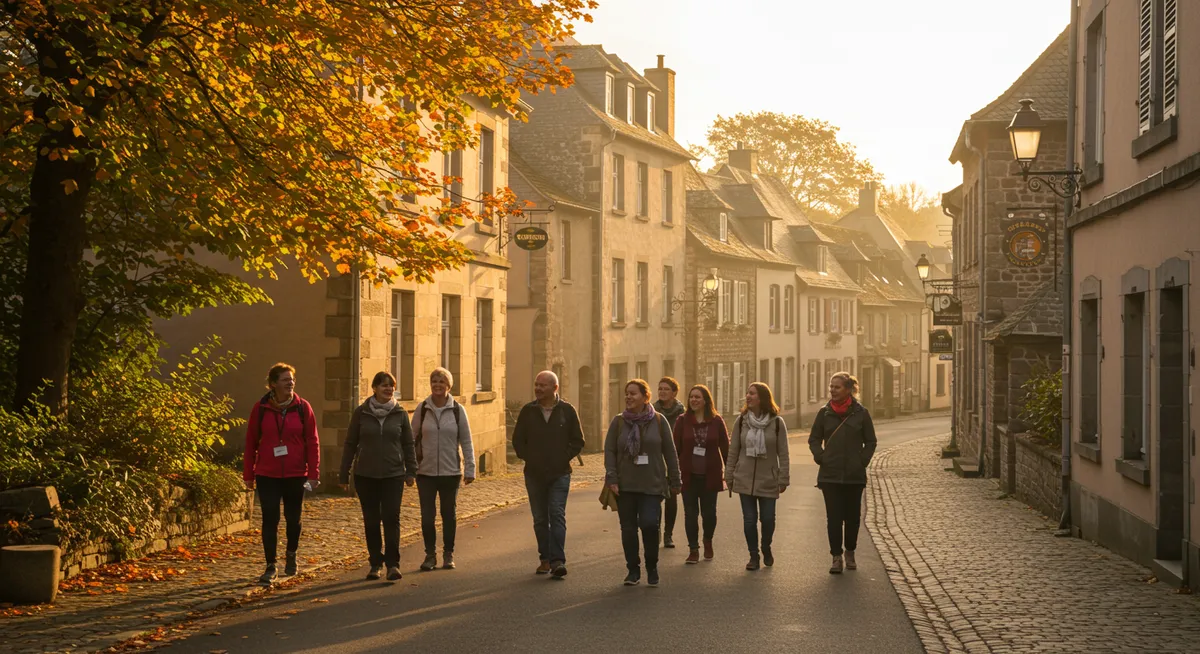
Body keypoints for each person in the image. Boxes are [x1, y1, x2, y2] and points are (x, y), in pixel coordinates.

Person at [243, 363, 319, 584]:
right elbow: (250, 443)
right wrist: (249, 474)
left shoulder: (303, 408)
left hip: (296, 473)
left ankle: (291, 555)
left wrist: (313, 473)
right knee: (270, 519)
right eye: (286, 380)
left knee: (293, 519)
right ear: (273, 384)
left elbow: (313, 441)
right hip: (268, 474)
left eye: (292, 379)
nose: (290, 383)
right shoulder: (260, 409)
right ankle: (270, 565)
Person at [338, 371, 417, 581]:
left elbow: (408, 444)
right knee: (371, 521)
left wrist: (411, 471)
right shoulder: (361, 413)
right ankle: (375, 563)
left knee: (391, 518)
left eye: (391, 385)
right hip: (366, 474)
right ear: (374, 388)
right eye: (384, 385)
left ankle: (393, 564)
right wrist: (343, 474)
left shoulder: (400, 413)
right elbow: (350, 443)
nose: (388, 389)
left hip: (393, 474)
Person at [604, 379, 682, 588]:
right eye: (626, 393)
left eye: (633, 394)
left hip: (652, 485)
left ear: (645, 397)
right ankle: (633, 569)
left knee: (649, 524)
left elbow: (670, 452)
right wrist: (611, 477)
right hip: (625, 485)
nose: (628, 397)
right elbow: (610, 450)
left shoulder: (658, 421)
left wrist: (676, 479)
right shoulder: (619, 422)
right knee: (628, 529)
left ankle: (652, 566)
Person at [512, 371, 586, 579]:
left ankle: (558, 561)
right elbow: (518, 440)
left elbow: (578, 441)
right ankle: (544, 558)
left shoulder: (567, 411)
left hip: (560, 473)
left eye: (543, 385)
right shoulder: (528, 411)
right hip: (534, 474)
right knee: (540, 518)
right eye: (536, 385)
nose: (538, 389)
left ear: (555, 388)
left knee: (556, 514)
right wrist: (529, 457)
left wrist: (563, 458)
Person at [808, 372, 877, 574]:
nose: (832, 391)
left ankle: (850, 552)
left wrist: (861, 461)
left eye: (837, 387)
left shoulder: (861, 413)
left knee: (853, 518)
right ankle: (836, 557)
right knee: (834, 517)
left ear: (848, 389)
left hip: (854, 476)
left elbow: (871, 441)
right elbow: (814, 439)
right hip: (830, 475)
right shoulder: (824, 413)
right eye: (831, 387)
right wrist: (820, 457)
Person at [412, 367, 475, 572]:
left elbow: (466, 440)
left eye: (442, 381)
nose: (437, 385)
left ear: (449, 386)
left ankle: (448, 554)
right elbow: (411, 440)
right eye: (434, 381)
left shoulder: (457, 410)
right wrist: (410, 467)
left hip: (451, 471)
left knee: (449, 514)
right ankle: (430, 555)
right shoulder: (422, 409)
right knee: (427, 516)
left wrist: (470, 469)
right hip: (425, 471)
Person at [725, 382, 789, 571]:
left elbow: (783, 453)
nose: (748, 396)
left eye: (752, 393)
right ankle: (753, 555)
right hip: (744, 478)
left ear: (762, 397)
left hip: (768, 479)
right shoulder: (741, 421)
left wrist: (783, 478)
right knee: (749, 520)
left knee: (768, 519)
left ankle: (766, 546)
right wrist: (729, 475)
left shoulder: (777, 422)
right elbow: (733, 451)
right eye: (747, 393)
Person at [672, 384, 729, 564]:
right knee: (690, 513)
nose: (694, 400)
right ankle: (693, 549)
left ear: (706, 400)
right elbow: (675, 449)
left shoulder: (716, 421)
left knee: (709, 513)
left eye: (698, 397)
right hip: (688, 475)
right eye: (691, 397)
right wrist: (673, 474)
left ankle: (708, 541)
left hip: (710, 475)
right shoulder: (682, 421)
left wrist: (730, 471)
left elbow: (726, 448)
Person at [653, 377, 685, 549]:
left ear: (674, 393)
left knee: (671, 499)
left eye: (666, 389)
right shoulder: (652, 411)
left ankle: (668, 534)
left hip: (674, 459)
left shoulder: (682, 413)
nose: (662, 392)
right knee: (656, 498)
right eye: (660, 389)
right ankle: (656, 530)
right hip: (656, 461)